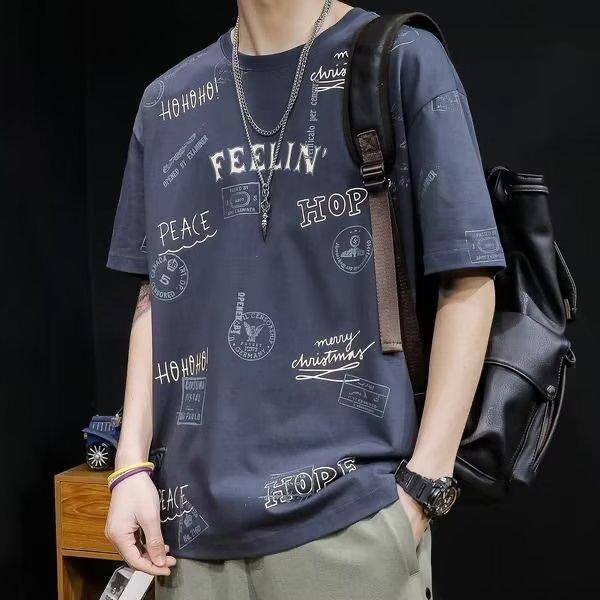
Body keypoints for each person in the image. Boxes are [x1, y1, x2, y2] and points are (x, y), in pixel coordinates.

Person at [104, 1, 506, 598]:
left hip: (350, 528)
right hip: (187, 541)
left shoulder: (401, 60)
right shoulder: (166, 102)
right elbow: (156, 296)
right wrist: (129, 465)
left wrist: (422, 490)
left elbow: (467, 278)